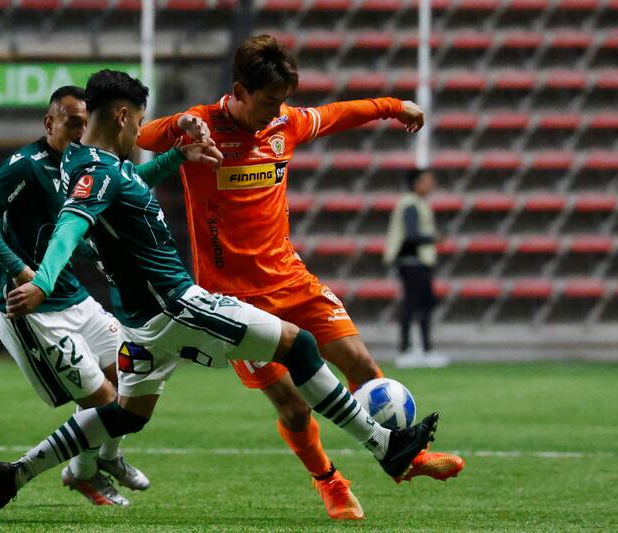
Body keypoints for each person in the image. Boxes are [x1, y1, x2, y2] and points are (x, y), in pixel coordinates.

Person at [0, 69, 441, 523]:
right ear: (121, 116)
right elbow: (70, 226)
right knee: (298, 345)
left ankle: (16, 473)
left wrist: (179, 156)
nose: (139, 127)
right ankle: (385, 446)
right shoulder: (97, 170)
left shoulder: (91, 164)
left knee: (125, 415)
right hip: (176, 305)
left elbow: (126, 189)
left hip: (140, 323)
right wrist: (44, 280)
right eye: (137, 118)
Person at [135, 35, 463, 519]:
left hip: (291, 280)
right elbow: (141, 137)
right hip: (231, 302)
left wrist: (395, 106)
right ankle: (330, 482)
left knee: (364, 367)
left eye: (281, 102)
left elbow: (338, 113)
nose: (276, 113)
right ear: (239, 91)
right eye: (267, 102)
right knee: (293, 406)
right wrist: (180, 123)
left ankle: (406, 460)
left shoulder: (284, 124)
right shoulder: (201, 126)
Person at [0, 85, 151, 507]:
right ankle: (77, 471)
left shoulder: (82, 165)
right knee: (103, 401)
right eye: (72, 123)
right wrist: (19, 268)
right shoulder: (26, 166)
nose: (81, 131)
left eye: (86, 125)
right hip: (34, 311)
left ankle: (97, 465)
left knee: (133, 370)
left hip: (75, 297)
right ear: (49, 123)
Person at [384, 168, 448, 367]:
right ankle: (409, 349)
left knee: (421, 305)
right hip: (413, 261)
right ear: (416, 183)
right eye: (427, 181)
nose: (431, 185)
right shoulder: (410, 205)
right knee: (414, 305)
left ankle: (420, 349)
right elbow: (411, 235)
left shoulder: (415, 204)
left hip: (415, 262)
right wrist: (433, 238)